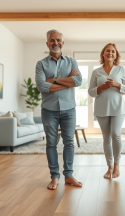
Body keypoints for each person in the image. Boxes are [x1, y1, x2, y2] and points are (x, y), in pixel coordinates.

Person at [35, 29, 82, 190]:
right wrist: (67, 81)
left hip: (69, 108)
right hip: (49, 109)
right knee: (51, 143)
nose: (55, 43)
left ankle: (68, 176)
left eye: (58, 40)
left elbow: (78, 81)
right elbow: (42, 86)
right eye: (52, 40)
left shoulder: (72, 61)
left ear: (63, 42)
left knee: (69, 142)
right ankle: (54, 177)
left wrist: (53, 80)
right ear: (47, 43)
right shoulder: (41, 64)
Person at [88, 43, 125, 179]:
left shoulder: (121, 70)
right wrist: (101, 87)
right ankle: (109, 167)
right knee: (106, 138)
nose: (110, 53)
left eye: (113, 51)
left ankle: (117, 165)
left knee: (115, 134)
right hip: (101, 109)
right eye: (108, 51)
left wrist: (118, 85)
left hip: (118, 108)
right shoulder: (96, 72)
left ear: (116, 54)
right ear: (103, 53)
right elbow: (90, 92)